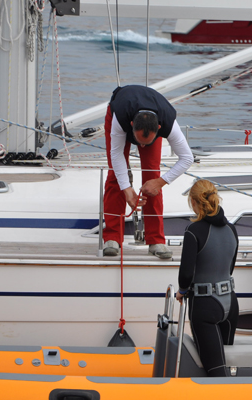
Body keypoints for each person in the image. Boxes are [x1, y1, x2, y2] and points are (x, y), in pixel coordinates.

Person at [102, 85, 194, 259]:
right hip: (121, 108)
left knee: (152, 177)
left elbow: (187, 158)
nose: (142, 147)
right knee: (116, 176)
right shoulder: (119, 118)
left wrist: (161, 182)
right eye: (139, 142)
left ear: (159, 128)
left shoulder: (168, 121)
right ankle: (112, 237)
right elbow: (116, 154)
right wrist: (127, 189)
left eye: (146, 143)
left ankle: (156, 240)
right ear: (131, 126)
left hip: (153, 115)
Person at [176, 180, 239, 377]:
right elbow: (230, 267)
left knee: (215, 371)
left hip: (205, 306)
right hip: (231, 303)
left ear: (194, 202)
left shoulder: (193, 231)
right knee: (228, 365)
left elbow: (186, 273)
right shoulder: (232, 229)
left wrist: (182, 291)